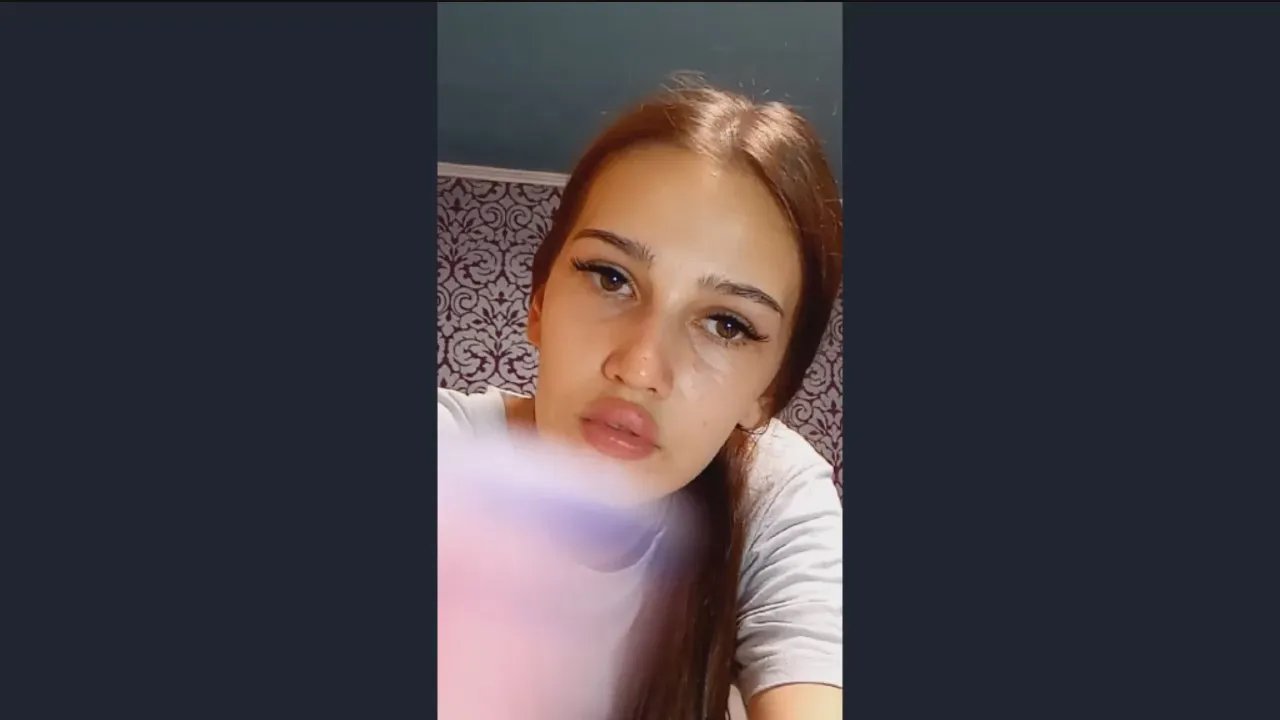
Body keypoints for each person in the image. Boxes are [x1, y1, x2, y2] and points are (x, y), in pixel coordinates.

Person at [438, 79, 843, 720]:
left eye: (727, 324)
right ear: (539, 301)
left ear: (768, 391)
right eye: (611, 277)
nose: (640, 368)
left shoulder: (771, 493)